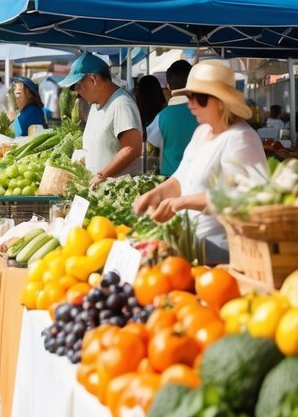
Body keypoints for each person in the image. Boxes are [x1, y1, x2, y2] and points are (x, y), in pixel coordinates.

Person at [133, 60, 266, 261]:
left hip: (223, 253)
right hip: (191, 246)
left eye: (200, 98)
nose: (191, 103)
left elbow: (242, 198)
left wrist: (182, 202)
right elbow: (180, 179)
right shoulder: (202, 132)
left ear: (222, 102)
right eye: (189, 96)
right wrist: (155, 194)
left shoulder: (241, 138)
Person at [60, 52, 142, 183]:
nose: (77, 93)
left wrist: (102, 175)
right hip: (98, 192)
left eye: (78, 86)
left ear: (93, 79)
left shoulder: (121, 104)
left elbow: (132, 149)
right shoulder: (95, 105)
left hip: (117, 195)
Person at [145, 60, 197, 176]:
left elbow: (151, 144)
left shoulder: (162, 116)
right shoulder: (204, 112)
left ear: (168, 86)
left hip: (171, 179)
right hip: (199, 178)